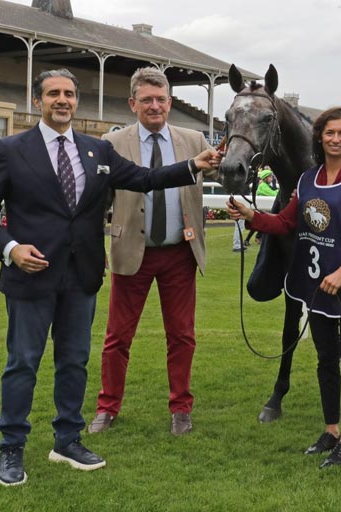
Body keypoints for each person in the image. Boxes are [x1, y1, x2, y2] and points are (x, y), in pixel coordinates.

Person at [0, 68, 220, 487]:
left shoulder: (96, 150)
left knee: (74, 362)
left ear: (76, 100)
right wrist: (11, 249)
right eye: (53, 93)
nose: (62, 100)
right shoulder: (10, 150)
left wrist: (192, 164)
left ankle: (67, 440)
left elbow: (145, 179)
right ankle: (11, 447)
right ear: (38, 101)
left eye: (68, 93)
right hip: (31, 277)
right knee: (23, 364)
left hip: (81, 277)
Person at [227, 107, 341, 469]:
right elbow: (285, 223)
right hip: (316, 285)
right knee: (325, 359)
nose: (335, 139)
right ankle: (330, 430)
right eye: (329, 133)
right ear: (319, 138)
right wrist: (252, 216)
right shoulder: (307, 180)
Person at [88, 67, 217, 437]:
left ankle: (181, 409)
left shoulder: (194, 139)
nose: (155, 106)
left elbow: (226, 175)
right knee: (118, 337)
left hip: (179, 254)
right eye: (147, 100)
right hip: (132, 250)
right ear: (133, 104)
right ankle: (107, 407)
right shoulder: (112, 142)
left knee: (182, 336)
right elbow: (99, 201)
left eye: (161, 99)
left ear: (170, 102)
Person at [243, 167, 278, 245]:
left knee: (259, 224)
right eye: (270, 177)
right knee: (262, 223)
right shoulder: (263, 186)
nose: (272, 178)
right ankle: (257, 238)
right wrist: (277, 191)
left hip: (261, 208)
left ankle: (250, 239)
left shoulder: (266, 185)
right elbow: (274, 194)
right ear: (265, 178)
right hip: (260, 209)